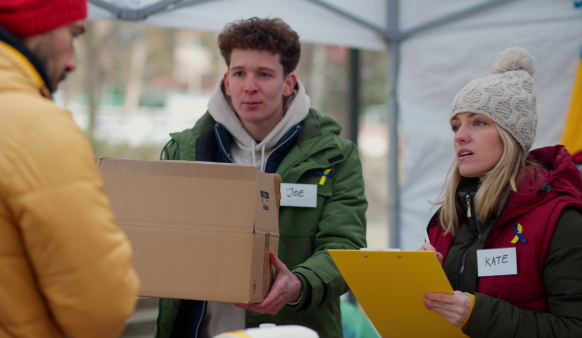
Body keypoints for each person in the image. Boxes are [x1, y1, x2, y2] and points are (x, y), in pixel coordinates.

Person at [156, 17, 368, 338]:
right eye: (239, 73)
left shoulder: (336, 156)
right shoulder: (182, 150)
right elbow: (159, 235)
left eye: (264, 74)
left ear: (289, 83)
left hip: (293, 328)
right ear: (226, 81)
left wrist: (299, 284)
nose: (249, 86)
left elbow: (345, 246)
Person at [420, 46, 582, 337]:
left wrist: (479, 315)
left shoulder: (561, 221)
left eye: (478, 122)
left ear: (511, 136)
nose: (460, 135)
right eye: (456, 125)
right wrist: (424, 281)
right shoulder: (447, 221)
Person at [0, 1, 140, 337]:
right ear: (40, 26)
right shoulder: (37, 128)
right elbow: (102, 308)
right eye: (73, 34)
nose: (73, 61)